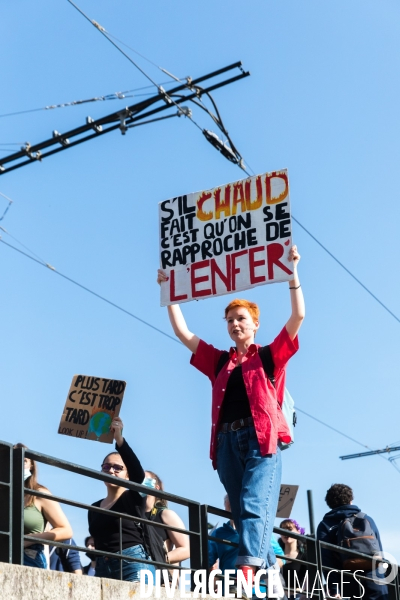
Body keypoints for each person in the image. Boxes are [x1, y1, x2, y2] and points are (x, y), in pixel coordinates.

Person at [157, 244, 304, 594]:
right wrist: (170, 294)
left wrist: (292, 273)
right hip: (226, 442)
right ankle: (272, 582)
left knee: (255, 504)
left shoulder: (269, 356)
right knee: (241, 514)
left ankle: (247, 572)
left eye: (242, 318)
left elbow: (297, 318)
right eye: (230, 320)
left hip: (260, 439)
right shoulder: (219, 361)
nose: (235, 323)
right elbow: (184, 334)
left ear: (255, 324)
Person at [88, 417, 156, 583]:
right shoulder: (94, 507)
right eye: (106, 467)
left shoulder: (133, 496)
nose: (111, 470)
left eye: (118, 468)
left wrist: (119, 439)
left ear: (127, 474)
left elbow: (138, 474)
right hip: (104, 566)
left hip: (133, 562)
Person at [317, 483, 388, 600]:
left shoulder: (325, 524)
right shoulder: (366, 519)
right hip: (375, 580)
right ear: (351, 499)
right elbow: (379, 550)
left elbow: (326, 559)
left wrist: (334, 589)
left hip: (348, 582)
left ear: (329, 503)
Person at [15, 443, 73, 570]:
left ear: (31, 466)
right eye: (13, 459)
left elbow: (66, 530)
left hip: (29, 557)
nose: (17, 463)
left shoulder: (39, 493)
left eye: (23, 460)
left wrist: (30, 539)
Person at [144, 470, 190, 568]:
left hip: (158, 576)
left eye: (145, 479)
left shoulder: (166, 514)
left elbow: (186, 549)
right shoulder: (132, 514)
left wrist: (154, 560)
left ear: (156, 488)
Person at [277, 519, 308, 598]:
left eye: (290, 529)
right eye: (283, 530)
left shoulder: (304, 555)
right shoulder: (276, 554)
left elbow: (310, 580)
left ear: (298, 532)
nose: (286, 532)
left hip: (296, 596)